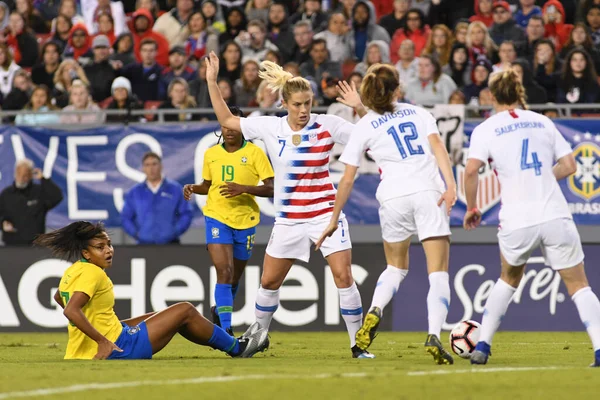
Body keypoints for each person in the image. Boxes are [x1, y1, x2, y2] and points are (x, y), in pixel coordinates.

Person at [204, 51, 373, 359]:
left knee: (344, 277)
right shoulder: (271, 127)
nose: (304, 110)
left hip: (325, 215)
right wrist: (211, 82)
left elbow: (371, 137)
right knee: (269, 281)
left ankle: (357, 347)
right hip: (289, 220)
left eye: (308, 103)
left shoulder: (329, 125)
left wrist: (359, 107)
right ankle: (258, 335)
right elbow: (227, 119)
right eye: (297, 104)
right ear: (284, 103)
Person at [315, 63, 457, 366]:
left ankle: (375, 308)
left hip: (392, 198)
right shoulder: (419, 113)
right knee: (439, 272)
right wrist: (451, 186)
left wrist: (332, 218)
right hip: (427, 193)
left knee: (395, 268)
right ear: (397, 88)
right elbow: (439, 149)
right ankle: (434, 334)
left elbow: (347, 178)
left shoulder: (365, 125)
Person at [463, 68, 600, 368]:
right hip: (554, 213)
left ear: (493, 95)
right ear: (519, 91)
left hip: (516, 218)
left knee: (508, 278)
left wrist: (472, 207)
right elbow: (570, 165)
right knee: (579, 284)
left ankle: (482, 346)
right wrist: (544, 180)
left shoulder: (486, 128)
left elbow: (471, 170)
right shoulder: (543, 121)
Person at [37, 221, 269, 360]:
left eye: (108, 244)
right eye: (100, 247)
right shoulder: (93, 273)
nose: (108, 250)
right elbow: (71, 310)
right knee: (185, 310)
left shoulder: (74, 270)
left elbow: (59, 297)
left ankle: (227, 339)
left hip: (80, 351)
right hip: (119, 348)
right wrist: (104, 341)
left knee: (158, 316)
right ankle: (237, 348)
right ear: (86, 253)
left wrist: (101, 325)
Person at [183, 106, 275, 336]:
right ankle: (225, 330)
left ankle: (218, 310)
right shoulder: (211, 154)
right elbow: (207, 185)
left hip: (245, 220)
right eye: (225, 125)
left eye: (234, 125)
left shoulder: (255, 153)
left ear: (242, 127)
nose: (229, 130)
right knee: (223, 271)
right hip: (216, 216)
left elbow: (272, 188)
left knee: (234, 277)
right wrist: (194, 188)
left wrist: (243, 189)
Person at [121, 152, 192, 244]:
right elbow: (125, 217)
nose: (151, 168)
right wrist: (136, 233)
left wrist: (174, 232)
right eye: (147, 165)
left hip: (171, 245)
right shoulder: (135, 192)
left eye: (154, 164)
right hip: (143, 245)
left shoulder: (175, 189)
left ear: (161, 166)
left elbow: (186, 213)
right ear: (143, 168)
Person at [0, 159, 63, 246]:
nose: (21, 178)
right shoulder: (6, 194)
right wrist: (3, 223)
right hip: (12, 245)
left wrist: (43, 179)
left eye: (25, 175)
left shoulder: (39, 192)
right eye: (19, 174)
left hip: (35, 245)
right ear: (15, 173)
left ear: (30, 175)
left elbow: (57, 196)